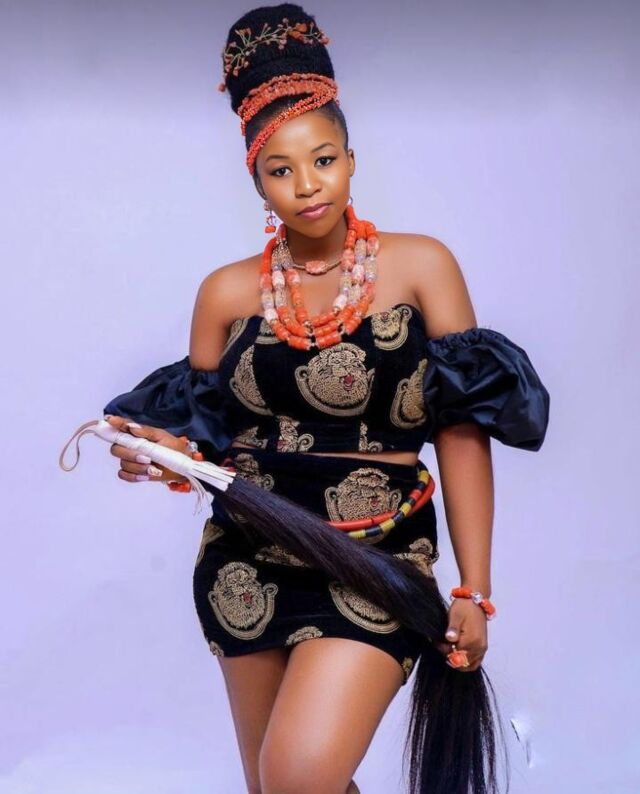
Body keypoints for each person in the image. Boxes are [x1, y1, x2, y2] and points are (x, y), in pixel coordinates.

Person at [102, 4, 550, 793]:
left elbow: (461, 433)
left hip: (376, 555)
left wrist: (473, 590)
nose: (307, 185)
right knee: (279, 788)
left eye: (324, 159)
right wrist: (160, 456)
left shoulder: (422, 268)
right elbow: (206, 441)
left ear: (351, 158)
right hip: (246, 560)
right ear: (256, 181)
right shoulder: (225, 294)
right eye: (281, 169)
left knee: (298, 772)